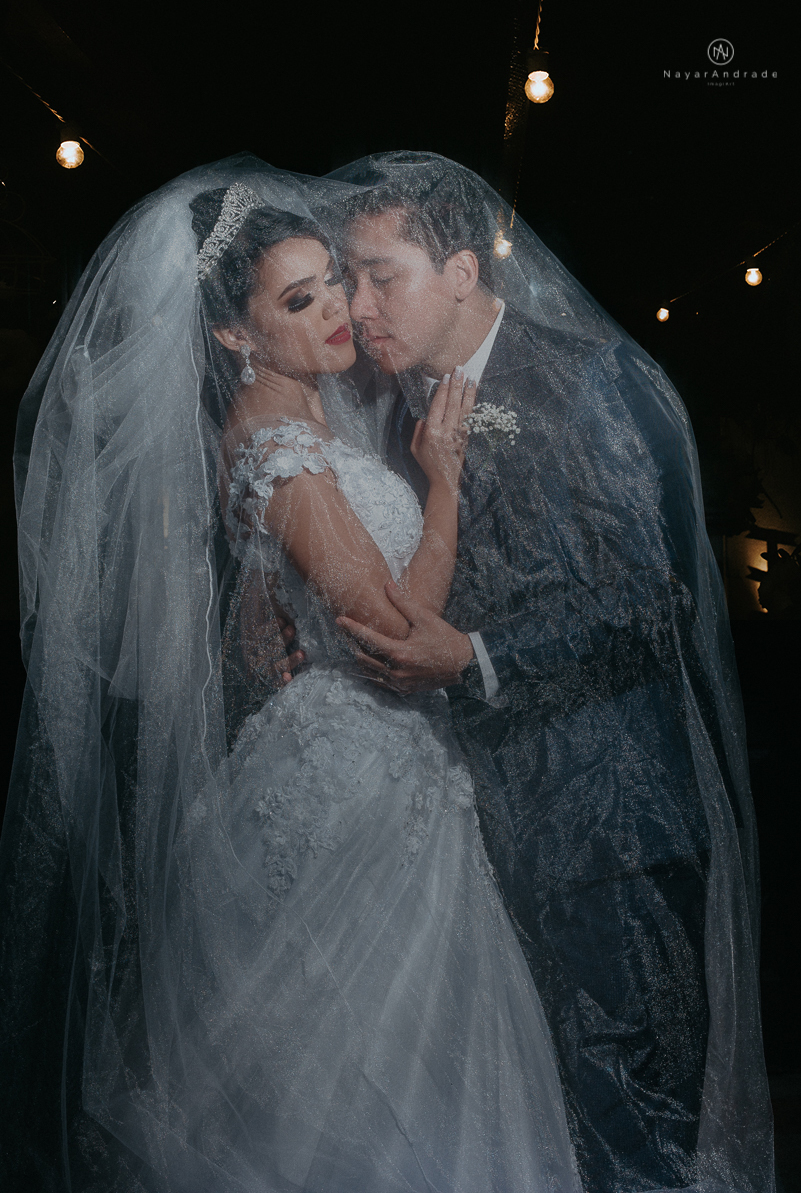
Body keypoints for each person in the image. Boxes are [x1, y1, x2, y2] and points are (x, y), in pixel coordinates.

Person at [0, 156, 581, 1193]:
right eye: (301, 299)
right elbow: (400, 630)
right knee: (350, 1083)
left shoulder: (313, 421)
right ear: (233, 333)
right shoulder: (273, 441)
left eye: (340, 286)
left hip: (372, 770)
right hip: (353, 782)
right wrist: (441, 484)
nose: (340, 313)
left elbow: (292, 604)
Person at [328, 151, 775, 1193]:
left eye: (378, 275)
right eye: (347, 278)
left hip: (609, 826)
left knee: (636, 1133)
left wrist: (474, 656)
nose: (357, 305)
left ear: (462, 273)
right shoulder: (397, 412)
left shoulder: (588, 379)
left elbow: (650, 597)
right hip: (478, 834)